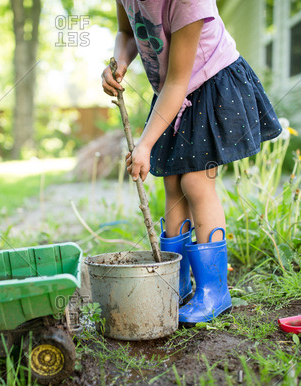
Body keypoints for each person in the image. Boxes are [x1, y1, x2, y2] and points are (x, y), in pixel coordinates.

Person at [101, 0, 282, 325]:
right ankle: (178, 284)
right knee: (172, 181)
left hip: (211, 83)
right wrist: (119, 61)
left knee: (196, 182)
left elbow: (177, 81)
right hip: (172, 90)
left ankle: (214, 292)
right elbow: (126, 32)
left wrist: (144, 144)